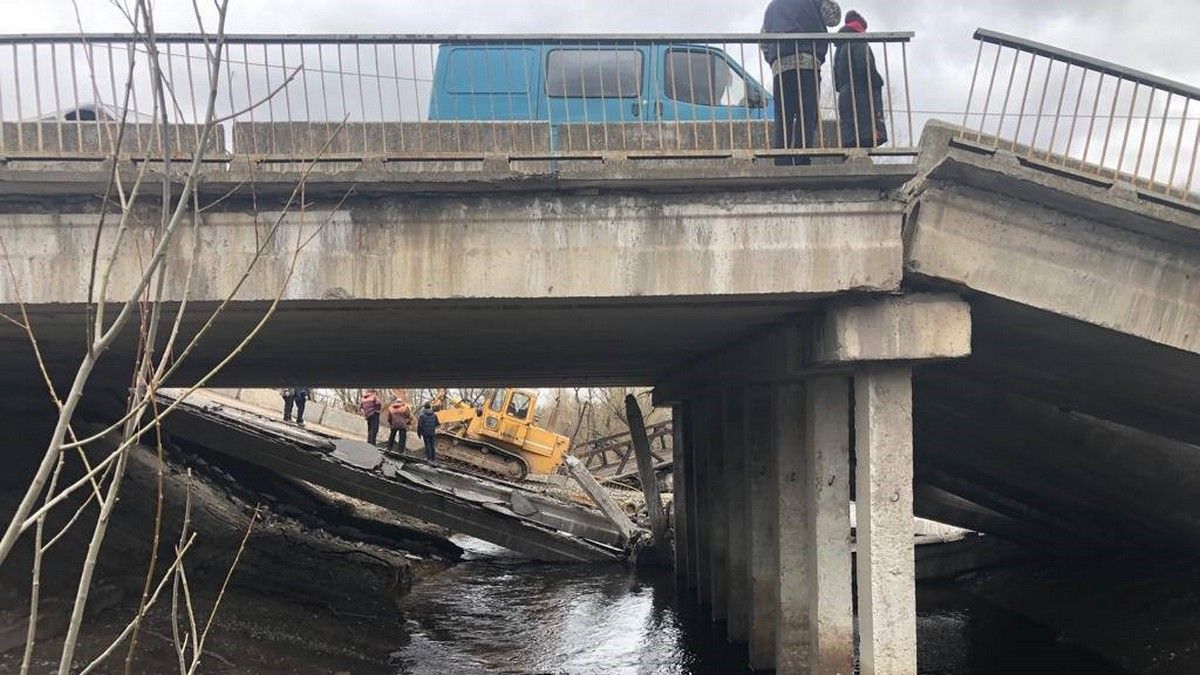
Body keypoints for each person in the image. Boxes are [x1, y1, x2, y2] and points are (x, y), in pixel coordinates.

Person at [761, 0, 841, 165]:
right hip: (808, 63)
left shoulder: (773, 6)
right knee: (807, 114)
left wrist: (773, 60)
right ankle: (802, 158)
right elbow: (834, 18)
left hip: (781, 66)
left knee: (784, 116)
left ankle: (781, 160)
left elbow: (763, 40)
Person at [833, 10, 888, 149]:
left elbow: (837, 81)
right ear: (861, 27)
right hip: (862, 97)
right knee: (865, 137)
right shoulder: (858, 40)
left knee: (852, 139)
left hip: (846, 96)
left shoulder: (839, 47)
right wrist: (878, 81)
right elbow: (865, 66)